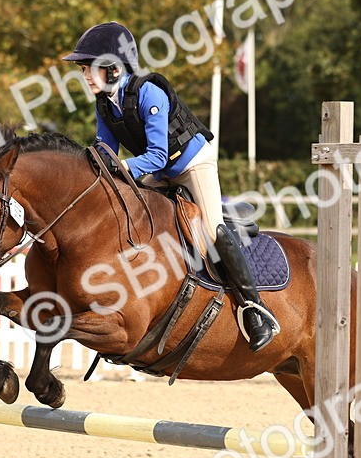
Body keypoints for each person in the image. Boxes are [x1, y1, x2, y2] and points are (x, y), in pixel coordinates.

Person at [62, 21, 279, 351]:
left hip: (190, 163)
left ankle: (255, 310)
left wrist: (121, 167)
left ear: (113, 67)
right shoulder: (104, 103)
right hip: (157, 168)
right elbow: (105, 151)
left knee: (212, 230)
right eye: (83, 70)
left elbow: (158, 155)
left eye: (89, 68)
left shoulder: (151, 93)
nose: (86, 76)